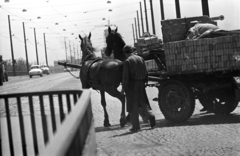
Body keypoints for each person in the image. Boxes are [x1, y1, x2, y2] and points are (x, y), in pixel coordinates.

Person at [121, 45, 156, 132]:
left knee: (133, 106)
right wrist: (145, 82)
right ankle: (151, 116)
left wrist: (123, 88)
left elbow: (125, 77)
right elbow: (145, 72)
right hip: (141, 83)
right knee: (143, 102)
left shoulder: (127, 61)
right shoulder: (140, 59)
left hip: (132, 85)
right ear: (132, 51)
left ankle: (136, 126)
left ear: (125, 53)